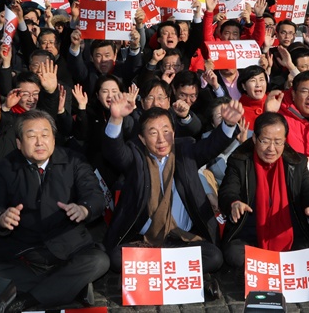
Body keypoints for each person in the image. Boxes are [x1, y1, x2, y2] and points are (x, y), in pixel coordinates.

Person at [102, 92, 245, 297]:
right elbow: (114, 151)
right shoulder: (135, 156)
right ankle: (180, 271)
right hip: (144, 240)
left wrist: (229, 124)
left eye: (166, 131)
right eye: (153, 133)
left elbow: (212, 146)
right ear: (142, 138)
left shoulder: (186, 151)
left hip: (182, 238)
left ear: (174, 131)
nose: (161, 139)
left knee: (214, 257)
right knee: (116, 258)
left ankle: (149, 271)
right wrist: (116, 118)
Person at [0, 110, 109, 312]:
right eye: (31, 136)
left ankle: (28, 300)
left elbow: (95, 195)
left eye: (45, 135)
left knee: (99, 261)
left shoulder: (74, 161)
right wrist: (0, 216)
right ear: (19, 143)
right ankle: (68, 288)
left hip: (69, 247)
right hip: (24, 250)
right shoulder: (3, 168)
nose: (39, 142)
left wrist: (84, 209)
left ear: (54, 139)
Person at [218, 112, 309, 269]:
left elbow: (308, 191)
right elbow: (228, 190)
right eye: (265, 141)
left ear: (285, 141)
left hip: (291, 234)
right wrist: (234, 203)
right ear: (254, 139)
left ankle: (268, 267)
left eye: (278, 142)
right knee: (234, 254)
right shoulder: (239, 161)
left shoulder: (297, 162)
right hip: (250, 234)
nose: (271, 149)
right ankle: (282, 266)